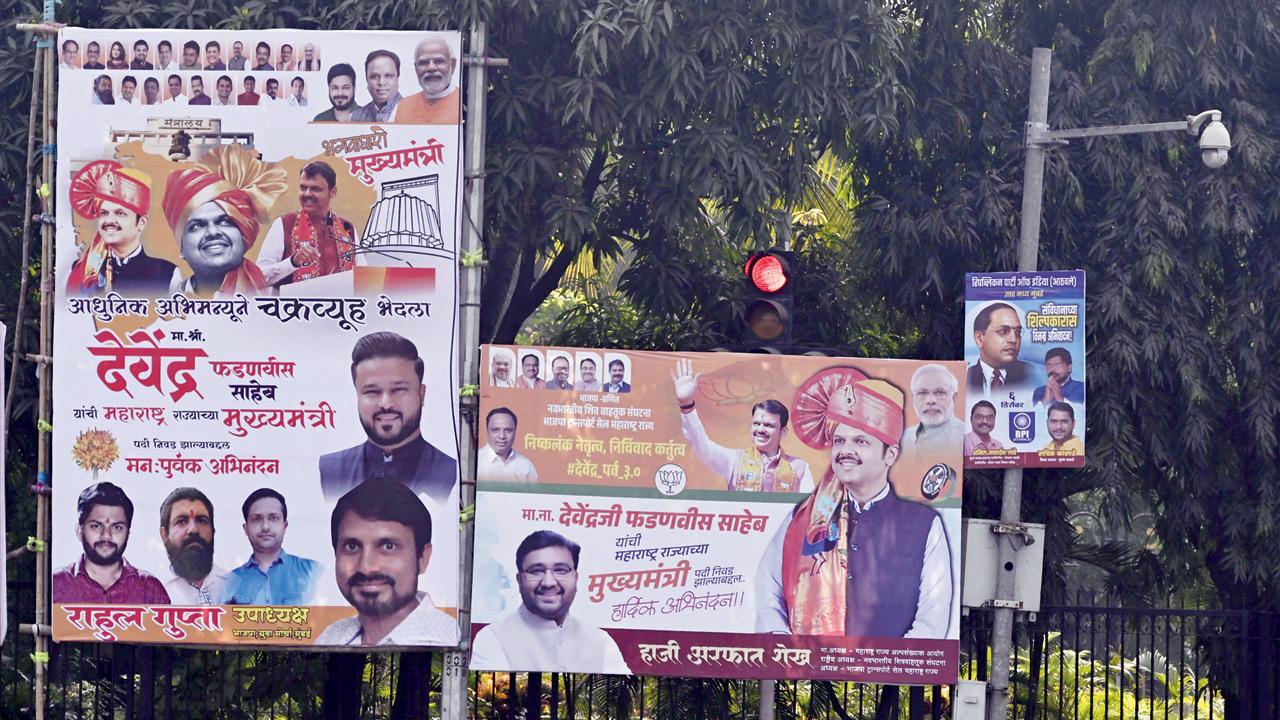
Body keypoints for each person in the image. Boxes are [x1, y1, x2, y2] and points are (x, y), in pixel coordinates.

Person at [756, 367, 952, 638]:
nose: (846, 451)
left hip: (893, 674)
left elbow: (934, 613)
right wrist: (786, 648)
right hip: (808, 671)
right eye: (839, 441)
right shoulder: (804, 518)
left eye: (860, 441)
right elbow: (768, 587)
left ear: (890, 454)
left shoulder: (923, 524)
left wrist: (891, 664)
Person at [319, 332, 458, 503]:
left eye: (398, 390)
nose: (385, 403)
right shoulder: (332, 469)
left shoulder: (449, 472)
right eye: (372, 392)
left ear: (421, 394)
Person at [315, 479, 455, 645]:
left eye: (388, 546)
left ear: (422, 558)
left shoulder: (447, 638)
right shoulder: (331, 637)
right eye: (352, 546)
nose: (366, 567)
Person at [470, 531, 628, 673]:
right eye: (536, 571)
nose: (548, 582)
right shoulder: (493, 638)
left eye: (561, 570)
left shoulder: (600, 641)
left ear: (575, 578)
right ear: (519, 580)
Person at [163, 143, 286, 297]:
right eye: (196, 226)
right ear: (182, 249)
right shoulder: (167, 300)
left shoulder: (272, 295)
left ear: (244, 235)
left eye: (225, 221)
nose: (213, 232)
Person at [673, 357, 813, 492]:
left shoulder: (799, 467)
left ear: (783, 432)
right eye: (756, 423)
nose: (760, 429)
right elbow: (701, 445)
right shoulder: (734, 460)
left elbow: (809, 510)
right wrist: (686, 405)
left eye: (768, 425)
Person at [66, 160, 175, 296]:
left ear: (141, 222)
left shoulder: (167, 274)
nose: (109, 220)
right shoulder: (85, 270)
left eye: (120, 213)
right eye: (104, 213)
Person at [53, 482, 171, 604]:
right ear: (79, 531)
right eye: (96, 526)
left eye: (117, 527)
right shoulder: (56, 584)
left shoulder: (150, 589)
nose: (106, 535)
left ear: (128, 533)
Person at [257, 161, 357, 287]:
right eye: (303, 188)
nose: (307, 194)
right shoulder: (284, 224)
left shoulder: (347, 229)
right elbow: (258, 277)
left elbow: (363, 279)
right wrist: (292, 263)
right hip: (294, 306)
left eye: (315, 189)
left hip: (338, 305)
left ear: (332, 192)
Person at [226, 488, 322, 605]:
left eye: (273, 518)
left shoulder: (313, 572)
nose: (265, 526)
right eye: (256, 519)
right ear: (246, 529)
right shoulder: (228, 584)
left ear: (284, 526)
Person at [159, 487, 230, 605]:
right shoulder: (152, 591)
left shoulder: (236, 587)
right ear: (165, 534)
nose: (193, 529)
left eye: (202, 521)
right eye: (181, 521)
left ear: (213, 531)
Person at [967, 302, 1036, 397]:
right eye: (1003, 331)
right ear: (979, 338)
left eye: (1017, 332)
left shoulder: (1034, 375)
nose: (1014, 339)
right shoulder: (964, 377)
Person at [899, 363, 965, 457]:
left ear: (953, 397)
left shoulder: (967, 437)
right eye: (922, 393)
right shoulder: (903, 438)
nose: (930, 401)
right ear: (913, 398)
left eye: (940, 393)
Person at [393, 36, 460, 124]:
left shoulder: (464, 102)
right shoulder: (402, 107)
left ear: (452, 65)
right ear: (416, 68)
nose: (431, 68)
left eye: (439, 61)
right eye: (424, 62)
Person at [477, 407, 538, 483]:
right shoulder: (477, 462)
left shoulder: (526, 466)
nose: (502, 436)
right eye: (496, 430)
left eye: (508, 430)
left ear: (515, 432)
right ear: (487, 431)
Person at [351, 50, 402, 122]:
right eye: (374, 76)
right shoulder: (355, 117)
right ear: (367, 80)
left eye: (388, 76)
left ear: (397, 78)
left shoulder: (416, 113)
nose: (381, 82)